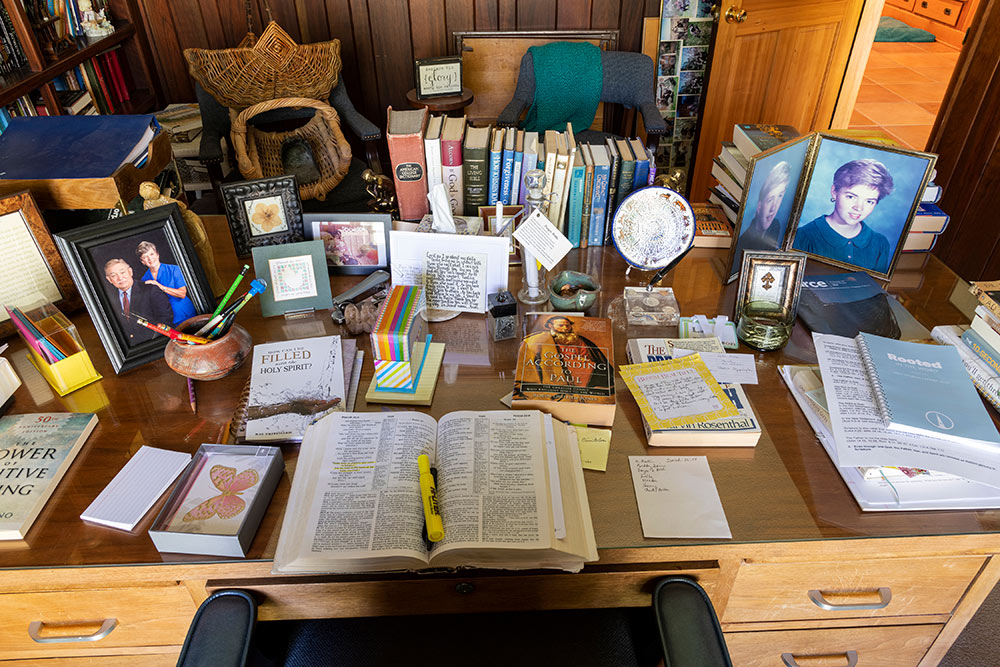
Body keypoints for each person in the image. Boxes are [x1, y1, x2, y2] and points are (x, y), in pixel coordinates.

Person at [793, 159, 894, 273]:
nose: (859, 207)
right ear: (834, 192)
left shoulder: (880, 243)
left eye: (869, 201)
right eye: (851, 197)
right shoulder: (802, 237)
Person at [518, 316, 610, 390]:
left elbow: (585, 354)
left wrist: (581, 359)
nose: (565, 328)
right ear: (550, 325)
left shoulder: (579, 340)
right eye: (561, 325)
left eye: (568, 325)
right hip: (552, 363)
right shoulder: (541, 339)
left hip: (576, 364)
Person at [103, 258, 173, 345]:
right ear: (109, 279)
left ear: (130, 272)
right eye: (114, 275)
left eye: (122, 272)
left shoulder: (150, 290)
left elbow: (166, 319)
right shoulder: (108, 300)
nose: (120, 278)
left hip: (154, 343)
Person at [137, 241, 197, 326]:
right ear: (142, 261)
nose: (150, 259)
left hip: (184, 314)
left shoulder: (174, 269)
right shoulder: (144, 279)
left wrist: (160, 286)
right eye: (145, 257)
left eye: (151, 254)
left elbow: (182, 294)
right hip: (166, 320)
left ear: (157, 254)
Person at [738, 160, 791, 254]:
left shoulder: (775, 225)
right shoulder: (743, 243)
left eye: (780, 196)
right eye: (770, 200)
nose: (773, 208)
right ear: (759, 206)